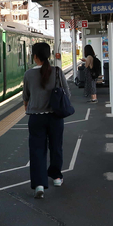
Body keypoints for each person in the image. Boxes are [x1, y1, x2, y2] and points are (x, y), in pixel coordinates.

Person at [23, 42, 70, 199]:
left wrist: (29, 108)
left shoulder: (29, 74)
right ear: (48, 55)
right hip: (55, 117)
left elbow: (26, 98)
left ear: (35, 56)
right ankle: (56, 177)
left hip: (36, 118)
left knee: (37, 150)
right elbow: (67, 94)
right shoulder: (57, 72)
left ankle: (39, 185)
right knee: (56, 147)